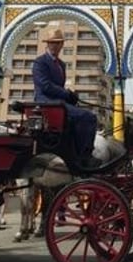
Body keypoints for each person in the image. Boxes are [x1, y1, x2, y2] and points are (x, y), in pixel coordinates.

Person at [32, 28, 98, 168]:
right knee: (88, 117)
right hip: (46, 103)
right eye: (52, 43)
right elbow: (45, 86)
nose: (54, 46)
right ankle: (85, 156)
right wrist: (66, 94)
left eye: (57, 43)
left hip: (59, 103)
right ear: (47, 44)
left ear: (61, 44)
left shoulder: (61, 64)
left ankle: (75, 152)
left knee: (79, 115)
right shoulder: (40, 62)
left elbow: (58, 88)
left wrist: (70, 97)